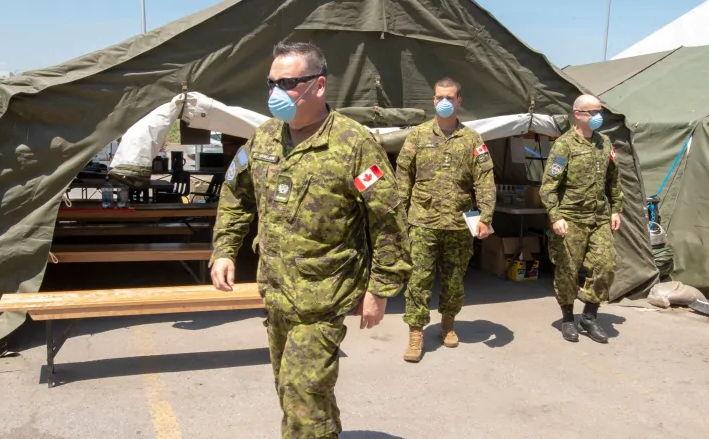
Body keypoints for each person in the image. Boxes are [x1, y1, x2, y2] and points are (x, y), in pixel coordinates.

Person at [209, 40, 412, 439]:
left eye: (287, 83)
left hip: (324, 295)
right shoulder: (265, 139)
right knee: (296, 392)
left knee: (301, 396)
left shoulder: (353, 145)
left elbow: (387, 219)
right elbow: (236, 193)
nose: (275, 93)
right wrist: (224, 249)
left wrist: (381, 288)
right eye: (271, 83)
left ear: (318, 86)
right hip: (277, 291)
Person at [395, 77, 496, 363]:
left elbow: (485, 180)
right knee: (418, 279)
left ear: (459, 100)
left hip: (458, 223)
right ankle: (416, 334)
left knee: (454, 280)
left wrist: (485, 217)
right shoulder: (417, 135)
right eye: (440, 97)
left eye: (450, 97)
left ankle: (448, 325)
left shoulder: (472, 139)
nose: (444, 102)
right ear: (433, 100)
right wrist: (400, 216)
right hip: (422, 221)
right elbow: (403, 175)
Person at [540, 94, 623, 344]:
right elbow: (548, 187)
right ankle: (567, 319)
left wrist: (615, 209)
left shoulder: (605, 143)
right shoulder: (564, 145)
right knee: (567, 271)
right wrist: (555, 216)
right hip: (571, 218)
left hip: (598, 217)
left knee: (606, 265)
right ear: (577, 114)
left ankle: (590, 315)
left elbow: (613, 180)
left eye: (599, 111)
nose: (598, 116)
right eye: (591, 112)